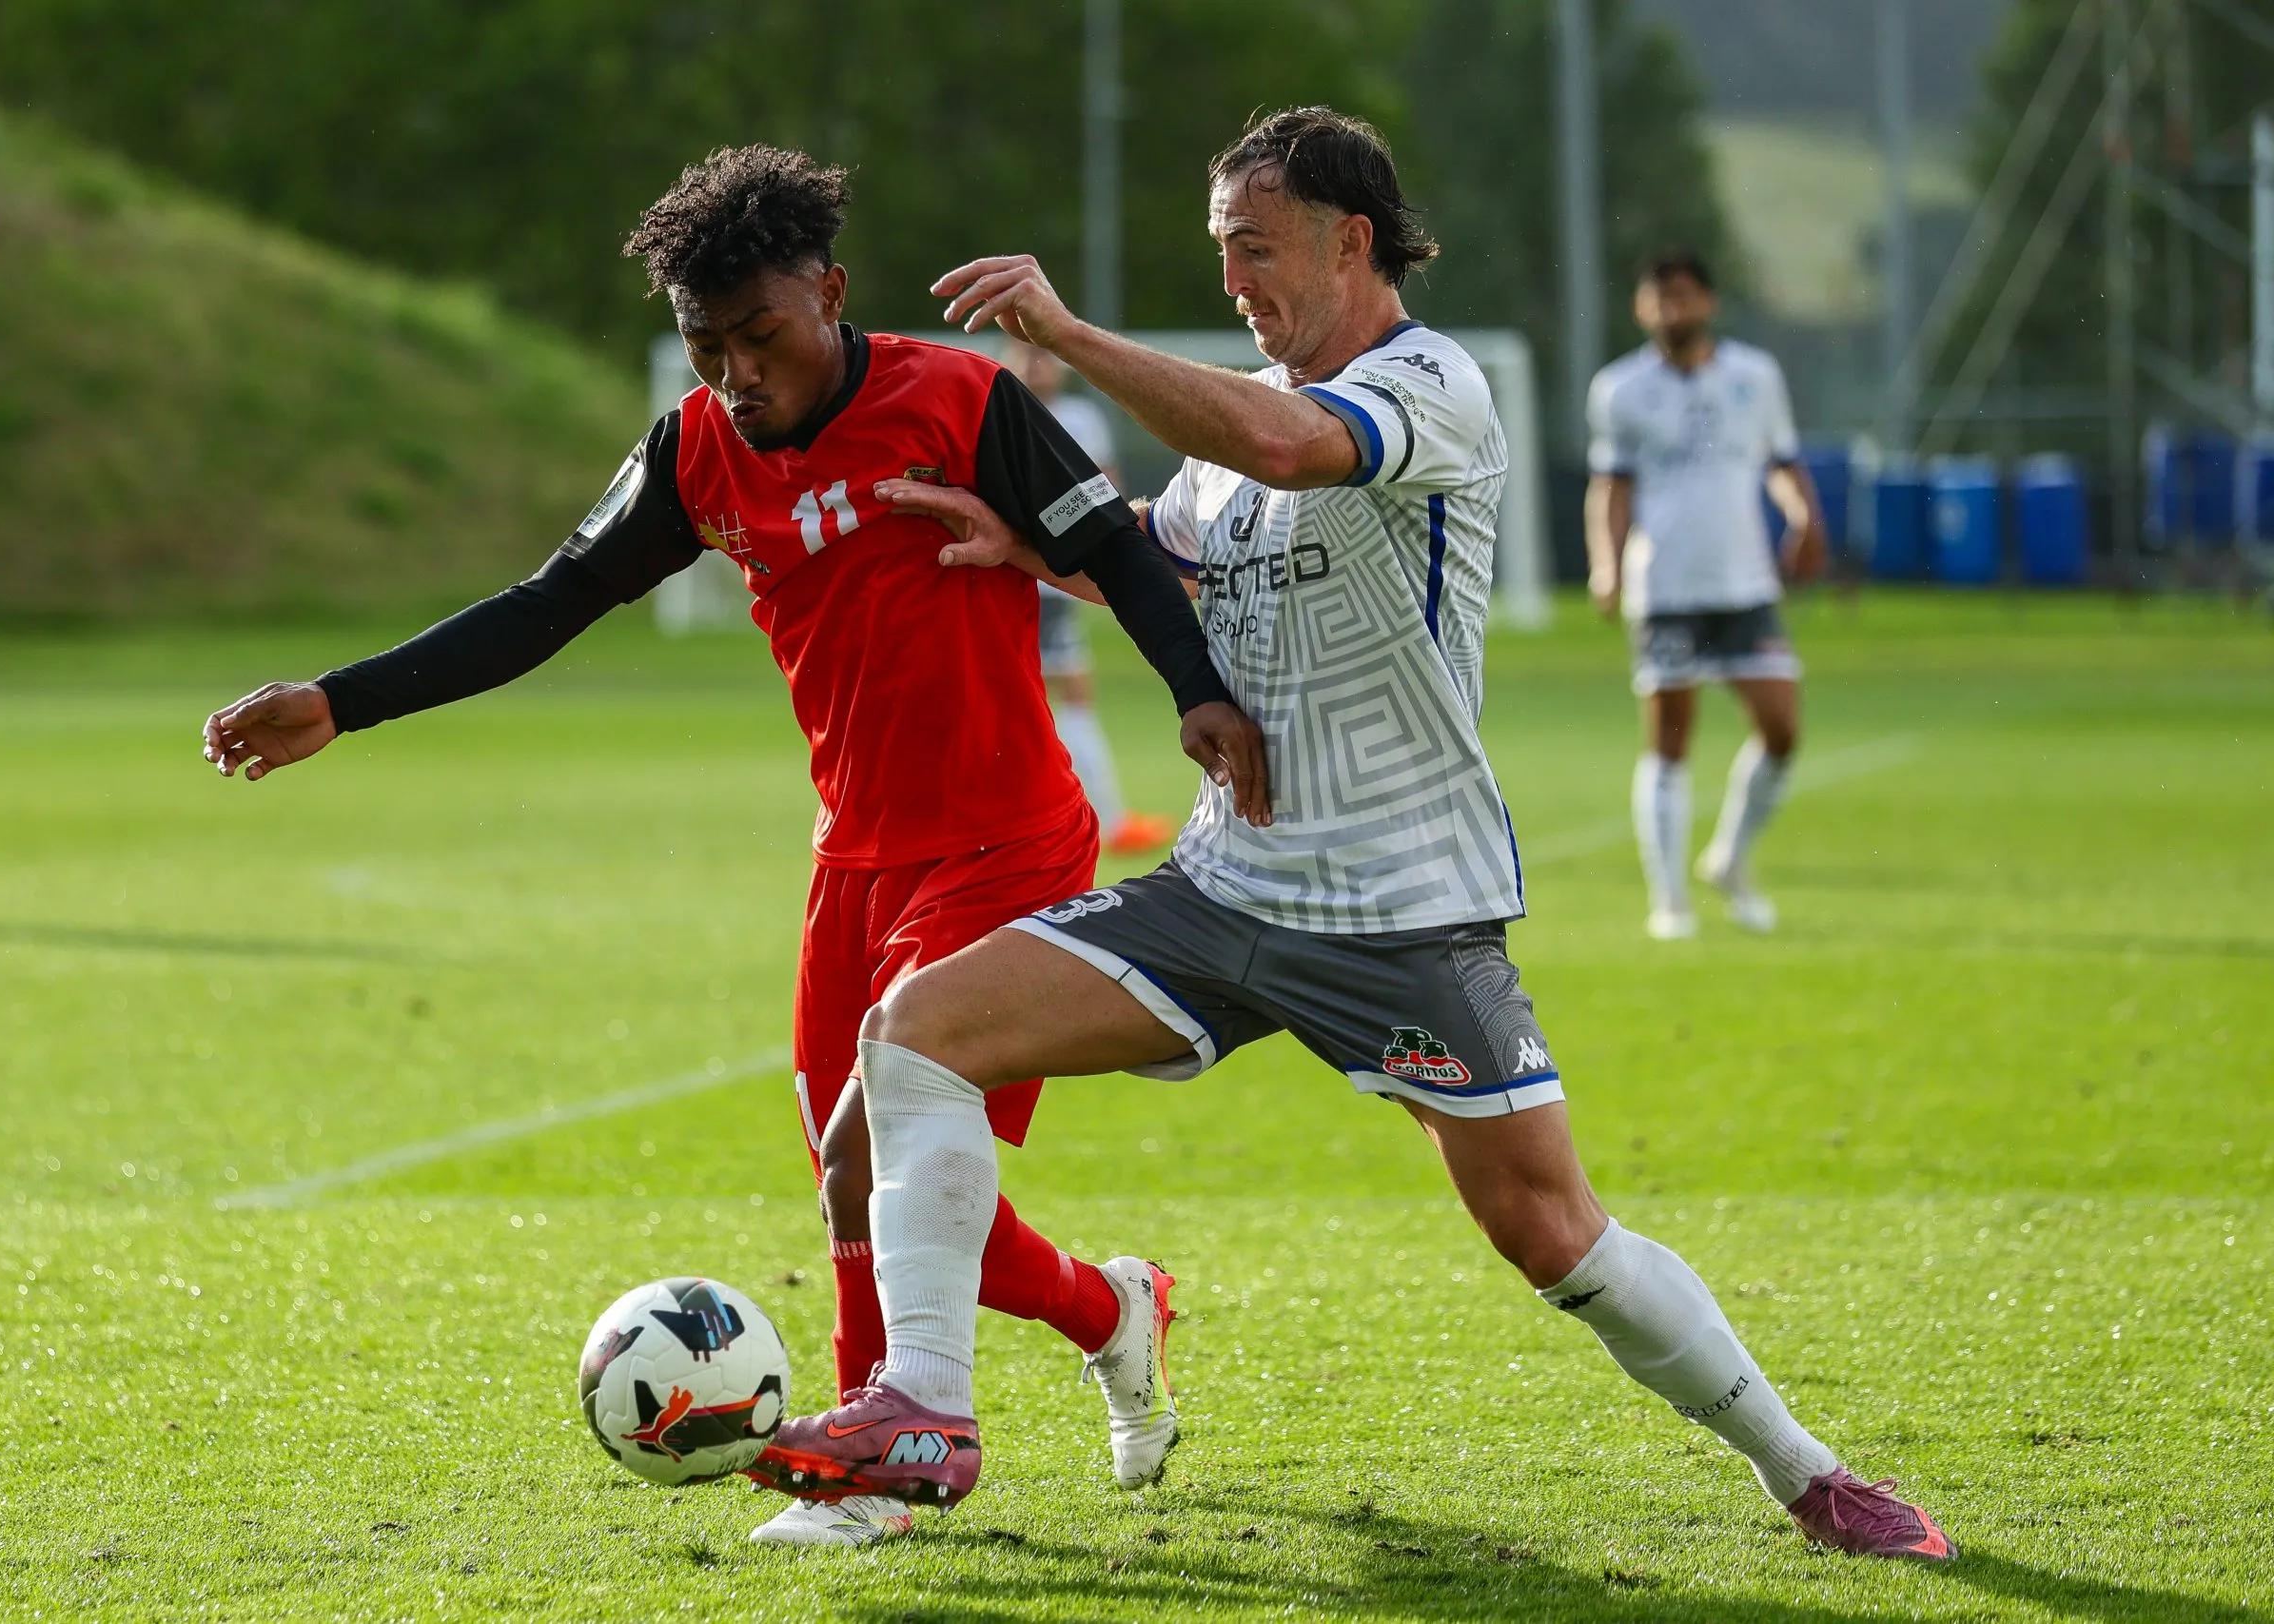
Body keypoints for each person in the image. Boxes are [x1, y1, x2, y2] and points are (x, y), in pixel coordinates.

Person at [751, 108, 1952, 1564]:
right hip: (1223, 886)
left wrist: (1074, 330)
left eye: (1255, 247)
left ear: (1351, 239)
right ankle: (925, 1409)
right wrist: (1040, 550)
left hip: (1402, 908)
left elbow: (1291, 445)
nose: (1237, 278)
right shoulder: (1237, 424)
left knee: (1552, 1231)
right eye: (1221, 252)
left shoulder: (1427, 383)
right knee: (916, 1033)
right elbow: (1174, 545)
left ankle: (1806, 1468)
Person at [199, 146, 1268, 1548]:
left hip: (1006, 840)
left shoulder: (960, 397)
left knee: (870, 1147)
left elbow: (1118, 553)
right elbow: (546, 603)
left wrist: (1197, 693)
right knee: (866, 1177)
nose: (736, 374)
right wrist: (341, 699)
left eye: (760, 335)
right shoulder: (691, 452)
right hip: (856, 859)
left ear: (830, 293)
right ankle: (1110, 1305)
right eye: (707, 348)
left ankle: (879, 1458)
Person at [1584, 250, 1827, 940]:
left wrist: (1805, 517)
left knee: (1782, 728)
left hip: (1744, 580)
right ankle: (1669, 901)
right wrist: (1608, 563)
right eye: (1659, 298)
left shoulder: (1755, 376)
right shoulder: (1620, 389)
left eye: (1684, 296)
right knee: (1669, 740)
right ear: (1641, 308)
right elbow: (1613, 485)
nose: (1671, 310)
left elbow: (1781, 463)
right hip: (1666, 586)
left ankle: (1728, 859)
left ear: (1708, 303)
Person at [1002, 339, 1172, 855]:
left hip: (1061, 577)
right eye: (1025, 356)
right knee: (1048, 696)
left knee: (1050, 695)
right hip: (1028, 578)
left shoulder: (1081, 417)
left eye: (1043, 356)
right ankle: (1098, 819)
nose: (1038, 365)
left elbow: (1108, 490)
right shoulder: (1002, 417)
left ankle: (1078, 819)